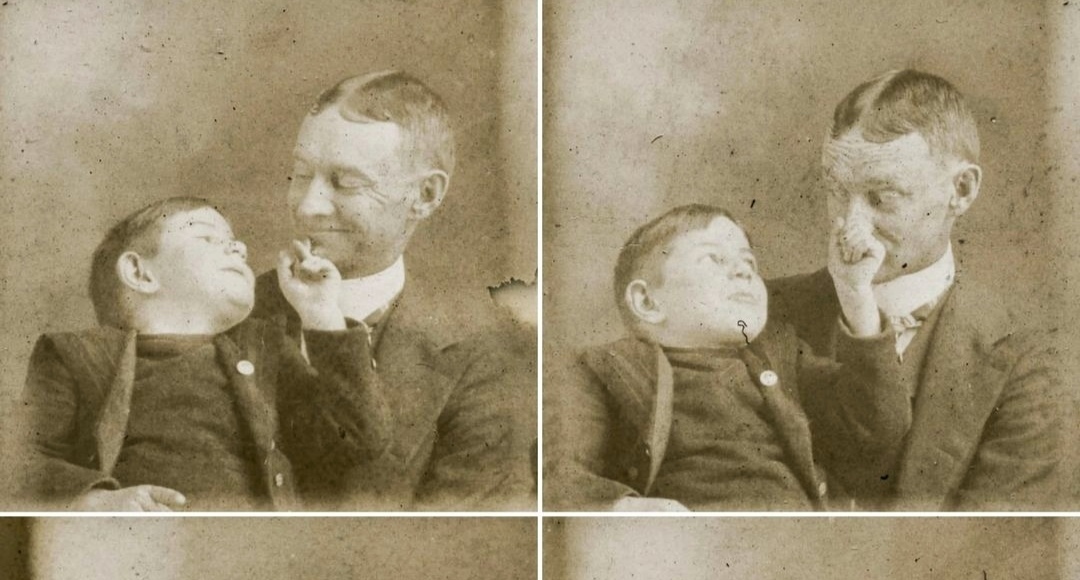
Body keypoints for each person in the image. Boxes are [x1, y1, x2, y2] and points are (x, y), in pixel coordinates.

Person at [769, 69, 1065, 510]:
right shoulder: (762, 313)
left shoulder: (1028, 364)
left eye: (882, 197)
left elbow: (997, 550)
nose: (850, 227)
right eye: (836, 191)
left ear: (960, 191)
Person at [250, 71, 536, 510]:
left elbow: (463, 538)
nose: (308, 206)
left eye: (346, 183)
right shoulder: (230, 312)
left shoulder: (495, 352)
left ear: (424, 195)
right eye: (300, 174)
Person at [16, 197, 389, 511]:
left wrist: (320, 311)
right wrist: (95, 500)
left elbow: (357, 439)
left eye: (236, 243)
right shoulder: (77, 355)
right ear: (139, 272)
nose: (239, 248)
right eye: (208, 237)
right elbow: (20, 460)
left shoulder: (267, 350)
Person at [544, 204, 910, 511]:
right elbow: (557, 470)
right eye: (713, 259)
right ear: (647, 302)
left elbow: (875, 429)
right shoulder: (604, 368)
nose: (742, 271)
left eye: (748, 262)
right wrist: (624, 506)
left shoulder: (781, 357)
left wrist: (855, 292)